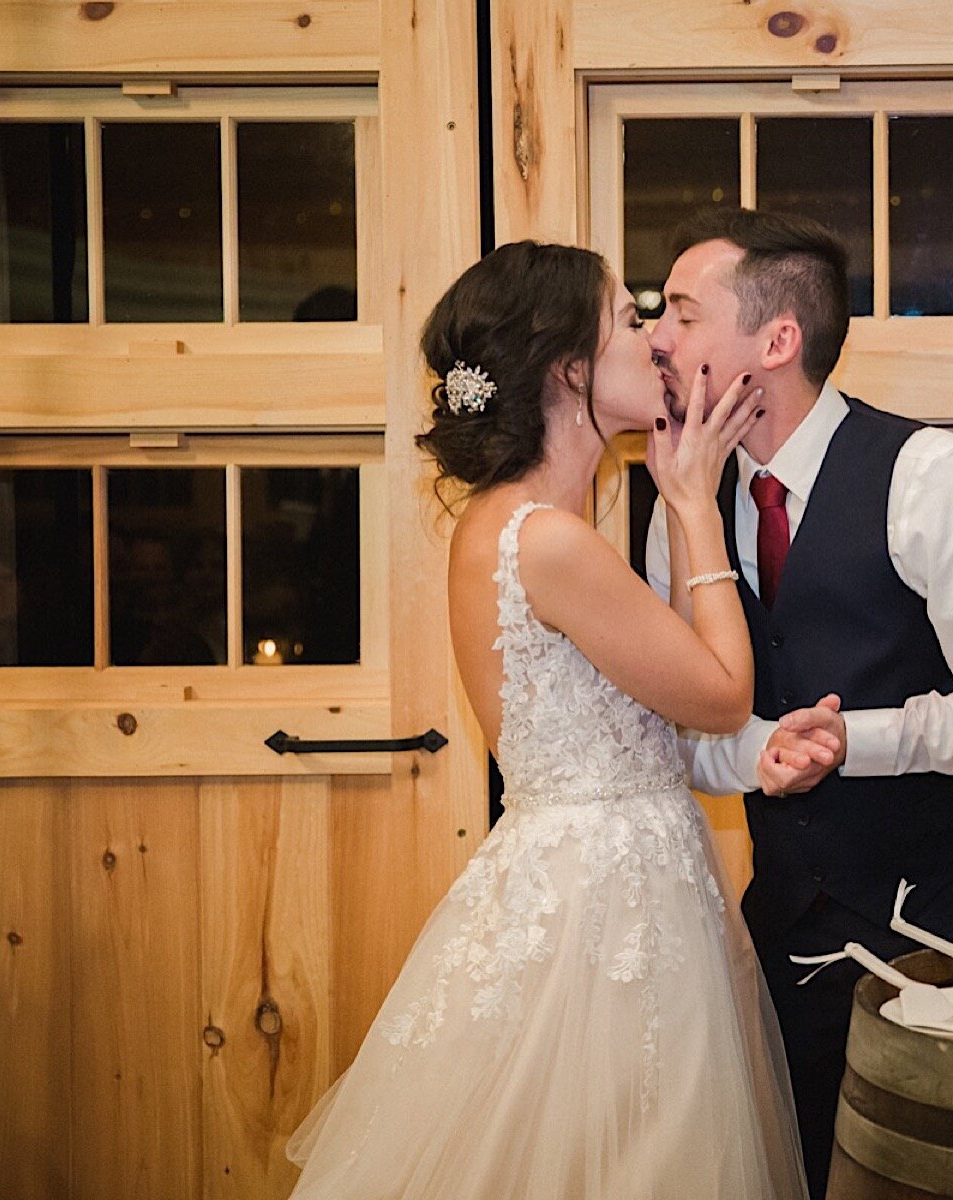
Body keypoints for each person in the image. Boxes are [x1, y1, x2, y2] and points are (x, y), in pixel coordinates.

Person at [285, 240, 806, 1199]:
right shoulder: (550, 540)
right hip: (605, 907)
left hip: (599, 878)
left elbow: (672, 704)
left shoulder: (511, 525)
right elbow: (725, 689)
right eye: (627, 320)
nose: (654, 342)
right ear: (568, 366)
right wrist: (693, 504)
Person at [644, 209, 953, 1198]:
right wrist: (760, 756)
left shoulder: (928, 476)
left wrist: (863, 741)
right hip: (787, 939)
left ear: (777, 341)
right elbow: (677, 732)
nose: (657, 340)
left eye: (680, 312)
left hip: (950, 934)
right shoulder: (679, 507)